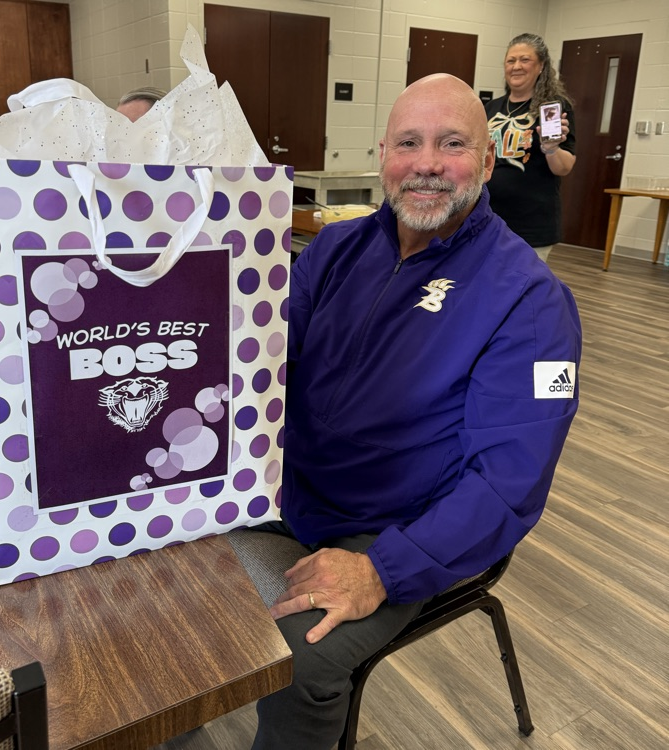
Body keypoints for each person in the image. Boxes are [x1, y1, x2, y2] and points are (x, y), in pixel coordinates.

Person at [240, 73, 582, 750]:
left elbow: (507, 485)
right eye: (408, 143)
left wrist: (381, 570)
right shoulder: (336, 250)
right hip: (292, 488)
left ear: (487, 161)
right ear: (384, 157)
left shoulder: (532, 301)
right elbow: (261, 363)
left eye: (451, 143)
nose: (426, 163)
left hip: (399, 526)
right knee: (147, 569)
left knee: (300, 660)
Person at [484, 33, 576, 263]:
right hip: (489, 219)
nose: (516, 66)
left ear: (541, 66)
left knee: (523, 289)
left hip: (532, 225)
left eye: (525, 60)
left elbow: (563, 168)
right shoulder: (491, 108)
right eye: (510, 60)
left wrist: (551, 148)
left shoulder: (551, 108)